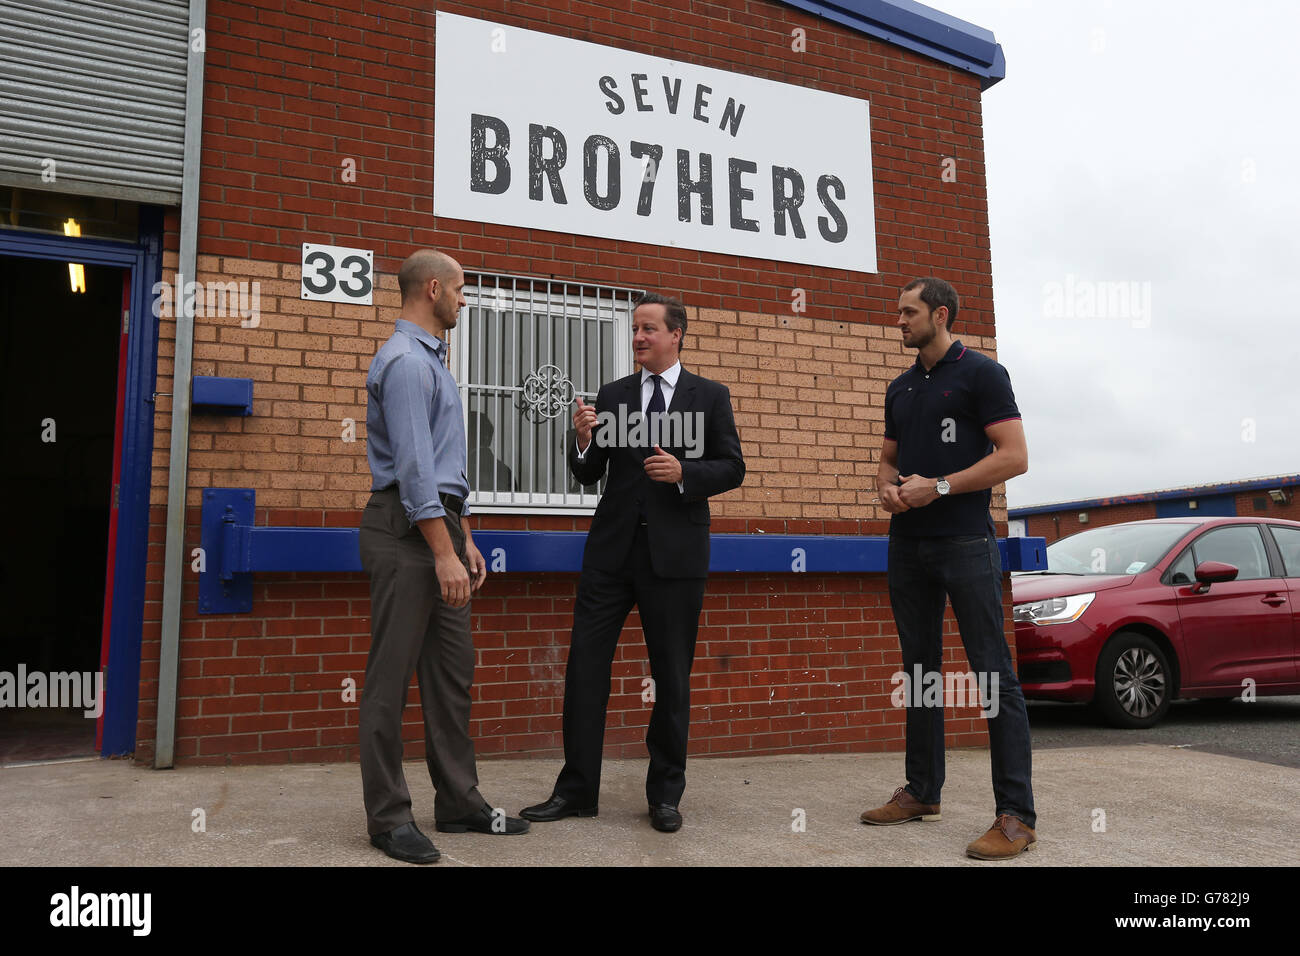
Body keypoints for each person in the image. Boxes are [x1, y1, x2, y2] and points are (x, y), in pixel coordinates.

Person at [520, 292, 745, 833]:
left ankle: (665, 795)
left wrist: (687, 474)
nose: (639, 337)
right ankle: (576, 791)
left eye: (649, 329)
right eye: (635, 329)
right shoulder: (614, 395)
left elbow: (732, 466)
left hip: (676, 559)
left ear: (676, 335)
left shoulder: (709, 396)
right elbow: (588, 472)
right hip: (610, 557)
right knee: (585, 670)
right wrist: (579, 442)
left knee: (671, 679)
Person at [359, 249, 529, 864]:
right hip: (405, 536)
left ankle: (459, 802)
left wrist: (464, 540)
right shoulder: (406, 362)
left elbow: (441, 470)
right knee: (388, 682)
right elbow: (411, 470)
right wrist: (442, 550)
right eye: (460, 291)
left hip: (437, 532)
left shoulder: (430, 359)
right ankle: (388, 818)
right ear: (433, 289)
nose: (465, 300)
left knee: (451, 676)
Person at [860, 277, 1038, 860]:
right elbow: (887, 462)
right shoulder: (901, 387)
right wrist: (886, 490)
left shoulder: (982, 374)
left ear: (940, 315)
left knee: (993, 676)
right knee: (919, 672)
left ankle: (1015, 816)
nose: (899, 321)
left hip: (965, 542)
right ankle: (921, 791)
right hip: (906, 545)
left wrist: (937, 487)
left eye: (908, 312)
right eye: (898, 312)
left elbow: (1014, 457)